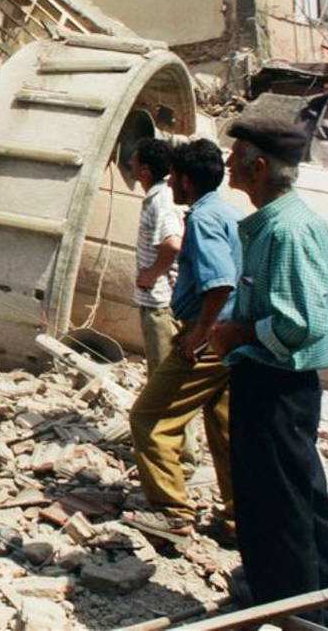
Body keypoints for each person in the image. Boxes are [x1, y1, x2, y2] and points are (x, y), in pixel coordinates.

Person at [210, 117, 328, 629]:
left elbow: (301, 323)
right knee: (292, 493)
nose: (228, 166)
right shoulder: (279, 221)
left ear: (257, 166)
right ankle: (315, 600)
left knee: (282, 502)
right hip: (273, 382)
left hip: (276, 384)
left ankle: (305, 611)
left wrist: (237, 334)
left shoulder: (286, 228)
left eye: (236, 158)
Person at [127, 138, 239, 540]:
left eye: (175, 175)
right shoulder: (226, 212)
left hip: (208, 339)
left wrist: (199, 334)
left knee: (149, 417)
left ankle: (173, 511)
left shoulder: (204, 219)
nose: (170, 181)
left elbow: (220, 282)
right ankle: (237, 519)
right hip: (230, 340)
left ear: (187, 181)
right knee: (225, 431)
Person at [130, 139, 199, 466]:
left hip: (159, 303)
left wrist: (150, 275)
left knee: (164, 381)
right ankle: (176, 447)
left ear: (144, 168)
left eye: (133, 162)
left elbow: (172, 244)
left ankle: (179, 455)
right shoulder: (160, 196)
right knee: (164, 377)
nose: (130, 167)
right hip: (160, 300)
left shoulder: (160, 199)